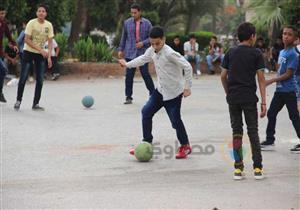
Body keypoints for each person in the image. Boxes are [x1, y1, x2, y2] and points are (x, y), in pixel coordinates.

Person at [119, 26, 193, 159]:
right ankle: (146, 143)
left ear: (163, 39)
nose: (155, 46)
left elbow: (187, 66)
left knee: (175, 121)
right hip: (160, 91)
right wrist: (127, 64)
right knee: (146, 112)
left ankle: (185, 146)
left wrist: (187, 87)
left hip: (173, 94)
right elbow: (142, 59)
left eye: (157, 43)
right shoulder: (151, 50)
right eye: (152, 43)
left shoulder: (170, 53)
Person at [221, 22, 266, 180]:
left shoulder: (230, 52)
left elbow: (222, 76)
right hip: (249, 98)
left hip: (233, 98)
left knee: (237, 132)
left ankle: (238, 169)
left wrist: (228, 93)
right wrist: (264, 102)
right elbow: (261, 79)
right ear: (252, 36)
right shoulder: (256, 53)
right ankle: (258, 168)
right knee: (253, 132)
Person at [260, 26, 300, 153]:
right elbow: (280, 70)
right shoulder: (282, 52)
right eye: (284, 34)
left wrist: (270, 81)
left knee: (294, 116)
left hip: (289, 91)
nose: (286, 36)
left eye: (289, 34)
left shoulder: (294, 54)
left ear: (295, 38)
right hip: (280, 90)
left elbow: (288, 74)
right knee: (271, 113)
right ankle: (270, 140)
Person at [14, 4, 54, 111]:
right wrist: (41, 50)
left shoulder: (49, 25)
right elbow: (26, 40)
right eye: (39, 11)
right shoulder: (32, 23)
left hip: (40, 55)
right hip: (28, 52)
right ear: (36, 13)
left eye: (43, 11)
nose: (41, 13)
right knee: (23, 78)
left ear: (46, 14)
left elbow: (50, 42)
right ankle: (18, 100)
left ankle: (35, 104)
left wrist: (49, 56)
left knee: (40, 79)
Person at [118, 3, 155, 105]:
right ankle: (128, 97)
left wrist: (143, 43)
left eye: (135, 13)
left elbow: (152, 37)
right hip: (130, 52)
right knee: (129, 75)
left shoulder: (147, 23)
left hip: (143, 53)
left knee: (145, 74)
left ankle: (153, 94)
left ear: (139, 12)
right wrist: (120, 49)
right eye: (132, 13)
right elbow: (124, 37)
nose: (133, 14)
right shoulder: (127, 23)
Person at [0, 6, 18, 102]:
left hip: (0, 53)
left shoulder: (3, 24)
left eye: (4, 13)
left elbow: (9, 36)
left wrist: (14, 44)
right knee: (3, 70)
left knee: (2, 72)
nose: (3, 15)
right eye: (1, 13)